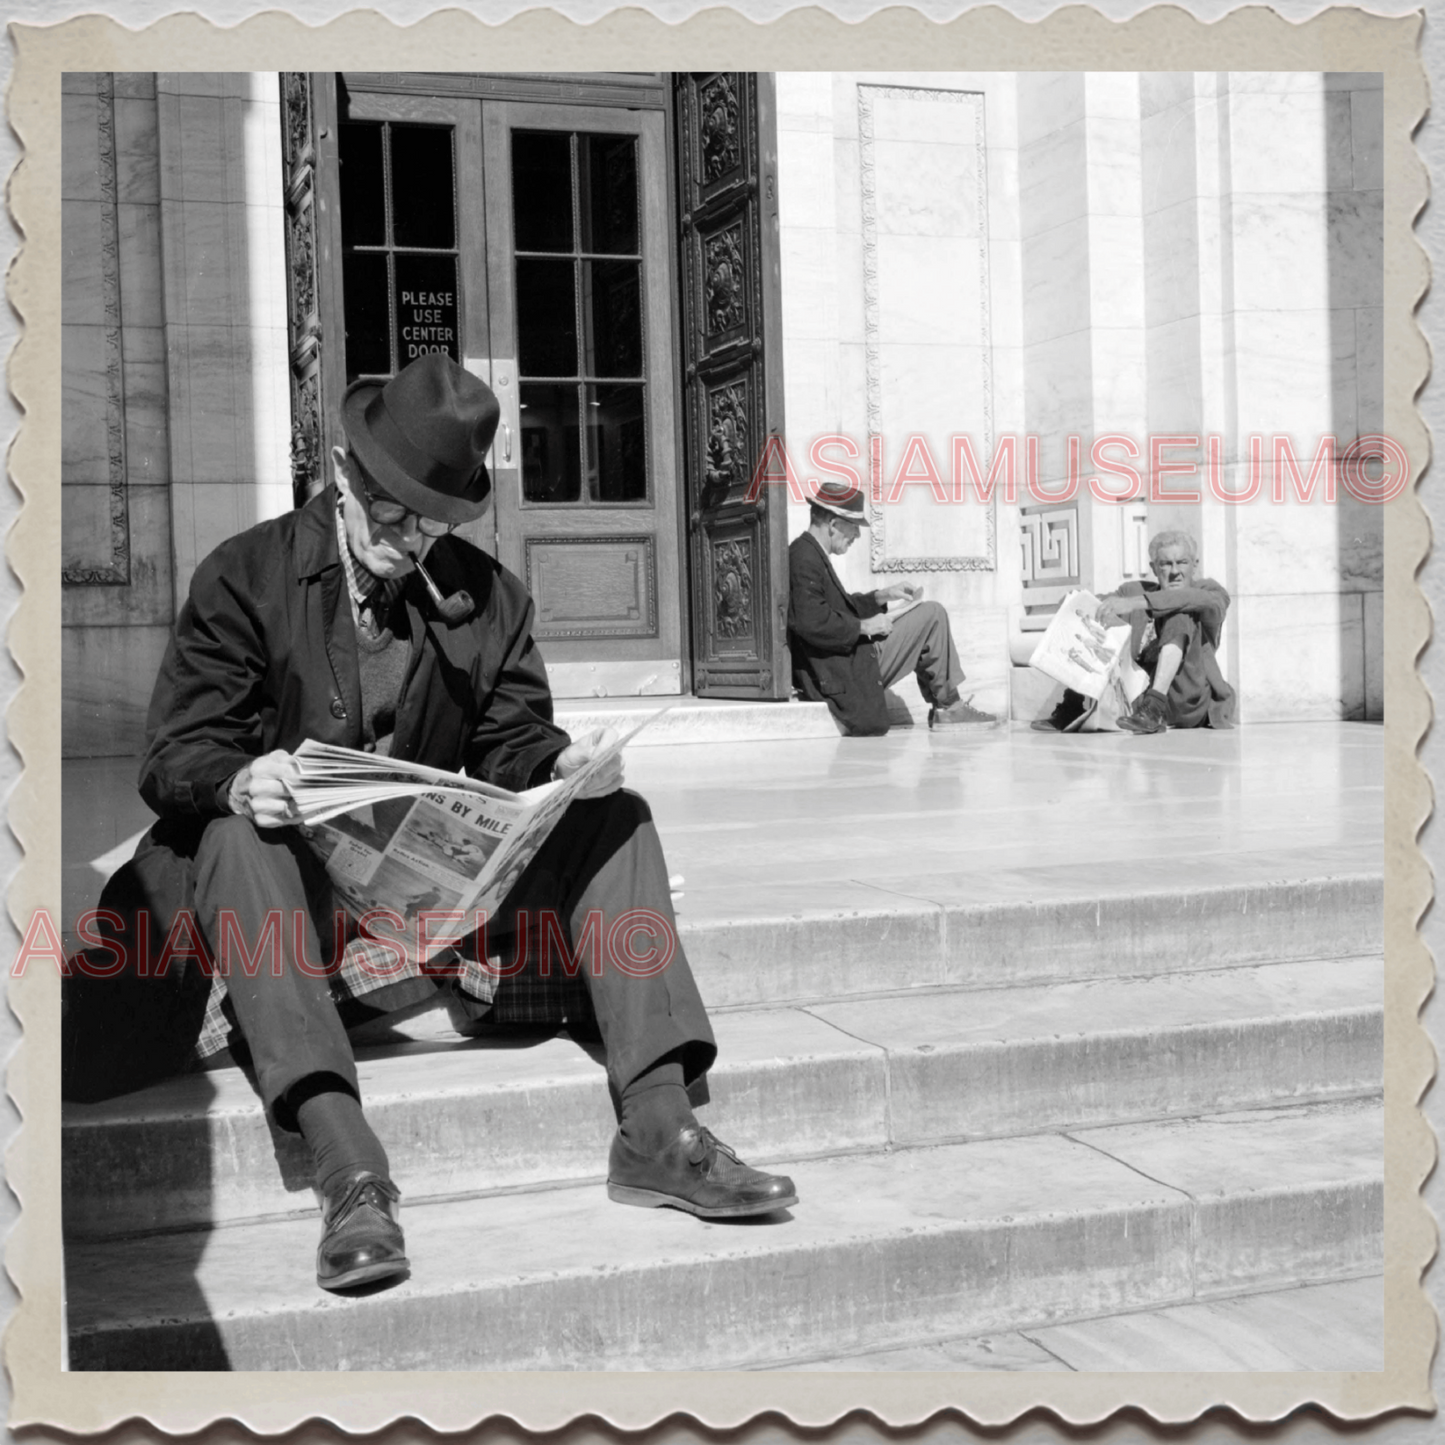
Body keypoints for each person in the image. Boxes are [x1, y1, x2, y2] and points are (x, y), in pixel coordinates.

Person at [64, 354, 796, 1292]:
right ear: (340, 471)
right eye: (391, 510)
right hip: (272, 892)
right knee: (238, 837)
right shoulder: (243, 576)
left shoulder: (490, 598)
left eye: (433, 519)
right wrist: (244, 780)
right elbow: (174, 755)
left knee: (618, 817)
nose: (409, 539)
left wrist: (558, 766)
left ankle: (658, 1131)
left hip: (410, 896)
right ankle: (350, 1169)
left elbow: (511, 740)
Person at [787, 480, 997, 735]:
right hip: (844, 670)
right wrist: (864, 626)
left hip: (845, 661)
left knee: (928, 613)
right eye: (854, 527)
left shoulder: (808, 552)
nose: (857, 536)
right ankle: (950, 708)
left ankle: (946, 705)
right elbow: (812, 621)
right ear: (833, 524)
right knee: (933, 615)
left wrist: (882, 596)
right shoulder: (805, 556)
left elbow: (835, 608)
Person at [1036, 530, 1236, 735]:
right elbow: (1096, 604)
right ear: (1154, 568)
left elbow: (1190, 598)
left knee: (1180, 612)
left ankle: (1155, 707)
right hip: (1136, 698)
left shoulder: (1211, 592)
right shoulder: (1133, 591)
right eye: (1166, 564)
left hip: (1185, 700)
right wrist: (1072, 603)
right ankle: (1075, 704)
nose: (1175, 571)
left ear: (1195, 564)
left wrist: (1134, 604)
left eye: (1182, 562)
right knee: (1095, 621)